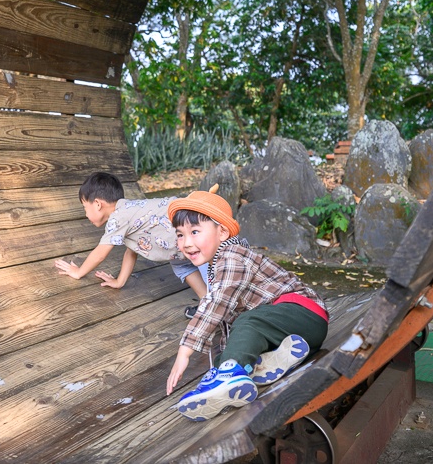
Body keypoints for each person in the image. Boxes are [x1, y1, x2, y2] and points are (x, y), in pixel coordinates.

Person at [165, 188, 329, 421]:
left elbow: (217, 302)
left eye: (194, 231)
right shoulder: (219, 264)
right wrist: (220, 359)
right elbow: (227, 326)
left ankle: (229, 374)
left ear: (222, 232)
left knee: (247, 321)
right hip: (295, 334)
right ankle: (263, 364)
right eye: (180, 235)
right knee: (234, 344)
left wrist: (186, 350)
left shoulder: (233, 255)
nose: (186, 243)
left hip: (303, 313)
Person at [54, 172, 208, 308]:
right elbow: (131, 251)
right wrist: (119, 281)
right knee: (182, 267)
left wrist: (79, 272)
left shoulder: (118, 217)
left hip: (191, 228)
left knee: (214, 269)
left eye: (85, 208)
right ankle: (208, 304)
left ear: (98, 204)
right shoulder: (130, 211)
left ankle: (218, 301)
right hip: (183, 240)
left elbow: (100, 253)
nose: (85, 214)